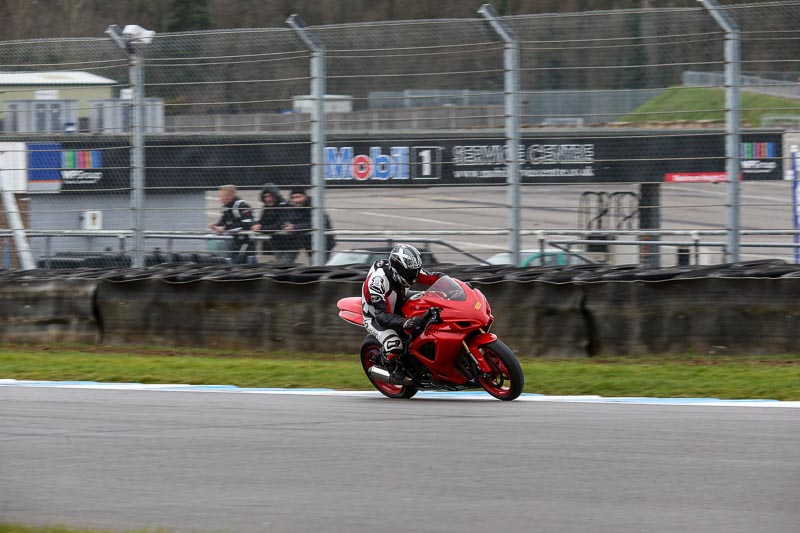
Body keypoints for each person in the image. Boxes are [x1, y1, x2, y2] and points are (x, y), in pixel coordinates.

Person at [361, 243, 444, 381]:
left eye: (415, 271)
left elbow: (434, 277)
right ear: (397, 268)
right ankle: (389, 365)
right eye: (410, 273)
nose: (414, 277)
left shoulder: (410, 271)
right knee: (394, 344)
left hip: (399, 300)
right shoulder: (378, 282)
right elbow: (382, 316)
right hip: (375, 316)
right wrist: (406, 322)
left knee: (434, 300)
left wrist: (458, 285)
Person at [281, 187, 336, 264]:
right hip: (308, 243)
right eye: (293, 198)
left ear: (305, 196)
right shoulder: (293, 207)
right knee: (313, 264)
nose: (295, 200)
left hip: (323, 242)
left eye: (298, 197)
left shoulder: (314, 206)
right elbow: (285, 219)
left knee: (319, 265)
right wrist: (286, 226)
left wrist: (295, 227)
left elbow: (319, 222)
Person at [208, 184, 255, 264]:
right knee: (232, 261)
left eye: (221, 196)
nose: (220, 199)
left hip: (245, 241)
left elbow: (247, 224)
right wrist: (215, 226)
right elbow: (223, 221)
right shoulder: (226, 207)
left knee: (240, 263)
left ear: (229, 197)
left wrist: (224, 228)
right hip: (234, 241)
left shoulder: (242, 206)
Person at [251, 183, 294, 263]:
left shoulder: (284, 205)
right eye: (265, 197)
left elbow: (281, 224)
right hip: (276, 242)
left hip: (290, 243)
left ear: (275, 195)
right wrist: (257, 225)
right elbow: (262, 221)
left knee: (284, 264)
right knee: (280, 264)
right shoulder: (267, 207)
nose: (268, 199)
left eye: (270, 196)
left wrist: (262, 229)